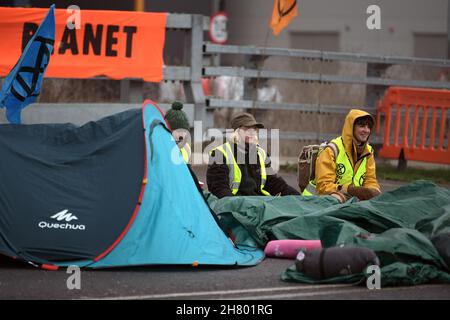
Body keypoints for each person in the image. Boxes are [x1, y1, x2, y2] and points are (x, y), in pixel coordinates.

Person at [207, 112, 300, 198]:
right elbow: (219, 188)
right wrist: (236, 206)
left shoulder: (261, 154)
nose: (252, 132)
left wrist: (297, 197)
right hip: (236, 203)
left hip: (260, 203)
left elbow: (273, 183)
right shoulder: (220, 154)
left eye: (254, 129)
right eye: (246, 128)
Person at [302, 109, 381, 202]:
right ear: (351, 127)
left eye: (369, 127)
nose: (366, 130)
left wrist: (373, 191)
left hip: (347, 203)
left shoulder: (368, 152)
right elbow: (324, 186)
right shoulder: (332, 150)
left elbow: (370, 180)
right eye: (362, 125)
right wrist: (351, 190)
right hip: (314, 202)